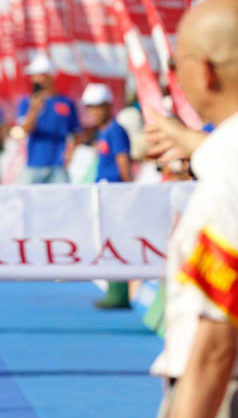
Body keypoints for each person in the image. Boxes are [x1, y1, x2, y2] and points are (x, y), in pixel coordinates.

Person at [146, 0, 238, 416]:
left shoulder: (235, 174)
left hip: (235, 393)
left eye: (176, 66)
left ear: (204, 71)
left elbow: (215, 344)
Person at [82, 83, 133, 309]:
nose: (93, 111)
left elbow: (123, 162)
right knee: (106, 242)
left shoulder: (116, 130)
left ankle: (119, 294)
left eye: (97, 106)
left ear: (108, 106)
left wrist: (126, 192)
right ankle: (114, 291)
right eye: (90, 107)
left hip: (115, 194)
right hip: (104, 193)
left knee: (115, 243)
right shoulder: (103, 132)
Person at [16, 55, 81, 184]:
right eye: (33, 76)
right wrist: (34, 110)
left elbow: (76, 132)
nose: (34, 79)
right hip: (34, 166)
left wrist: (71, 152)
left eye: (38, 75)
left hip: (58, 167)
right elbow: (24, 130)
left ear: (50, 76)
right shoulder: (26, 102)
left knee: (63, 202)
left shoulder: (66, 103)